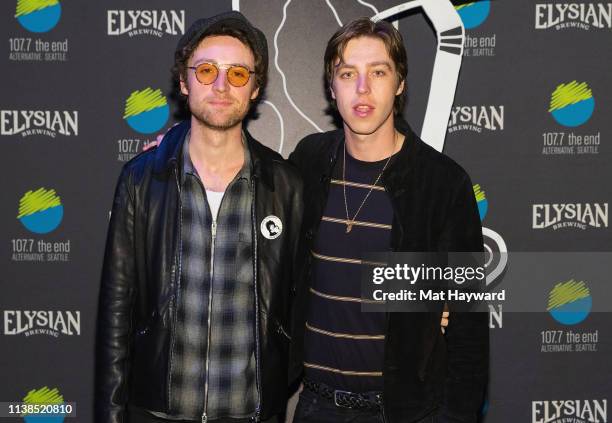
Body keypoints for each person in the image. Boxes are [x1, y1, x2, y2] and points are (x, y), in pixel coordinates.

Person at [96, 11, 303, 423]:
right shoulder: (141, 181)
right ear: (184, 81)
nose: (222, 86)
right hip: (157, 412)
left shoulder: (285, 186)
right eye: (207, 70)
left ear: (255, 88)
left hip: (252, 414)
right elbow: (115, 314)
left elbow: (302, 303)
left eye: (238, 74)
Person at [287, 18, 488, 423]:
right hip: (315, 407)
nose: (363, 89)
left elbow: (468, 327)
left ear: (400, 84)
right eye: (348, 74)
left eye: (378, 72)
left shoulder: (442, 182)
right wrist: (182, 141)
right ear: (332, 87)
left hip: (404, 413)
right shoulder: (307, 161)